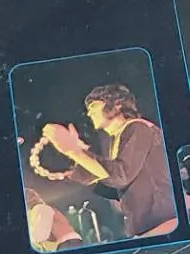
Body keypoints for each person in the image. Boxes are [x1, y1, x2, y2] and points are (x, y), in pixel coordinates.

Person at [37, 83, 178, 238]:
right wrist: (79, 159)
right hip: (149, 228)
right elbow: (116, 186)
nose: (89, 113)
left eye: (94, 106)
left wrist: (74, 151)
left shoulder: (138, 128)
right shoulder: (118, 139)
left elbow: (120, 176)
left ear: (117, 104)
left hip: (162, 225)